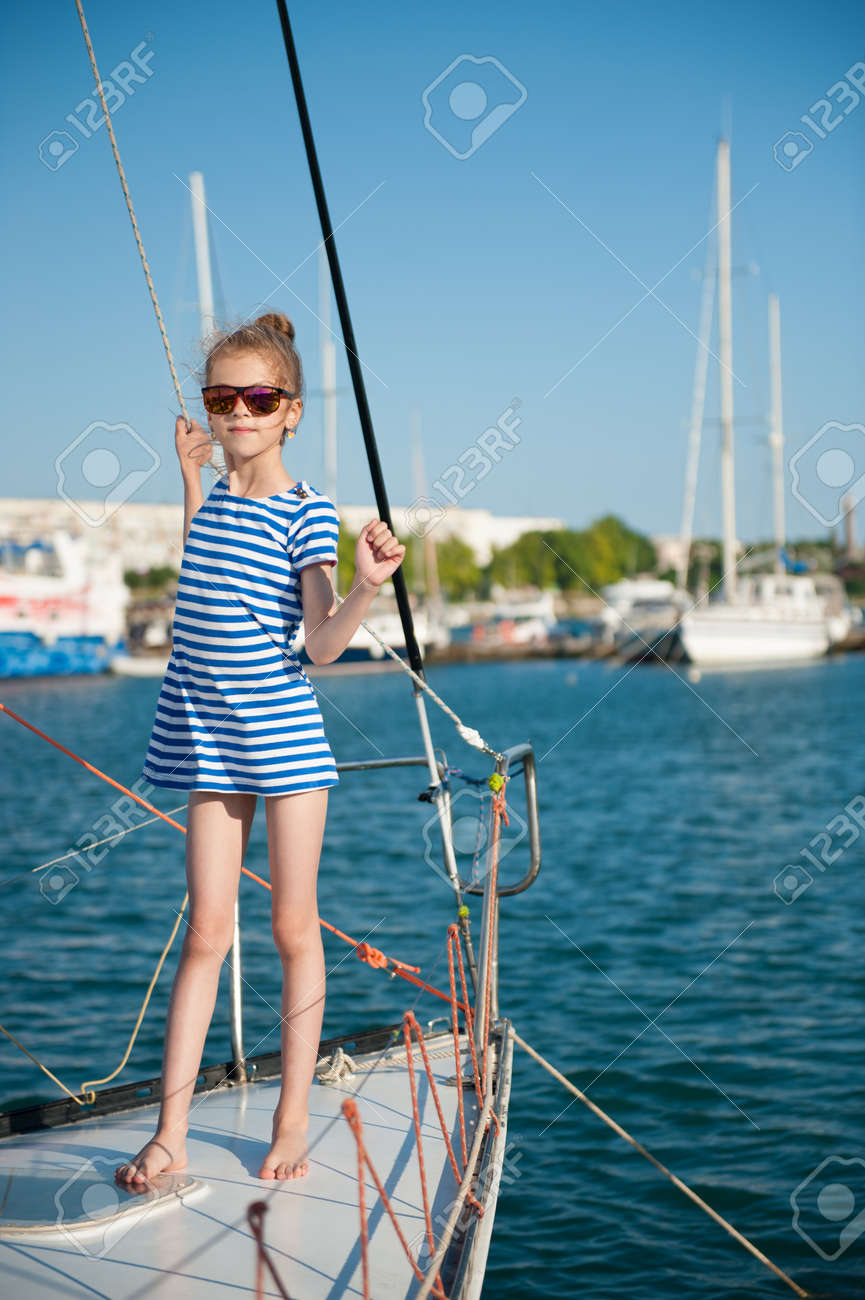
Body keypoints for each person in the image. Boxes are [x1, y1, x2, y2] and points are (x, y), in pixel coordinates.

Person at [115, 311, 404, 1186]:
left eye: (258, 399)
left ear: (291, 412)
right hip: (205, 737)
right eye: (221, 398)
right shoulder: (210, 502)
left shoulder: (305, 512)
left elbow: (320, 645)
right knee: (205, 931)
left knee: (290, 929)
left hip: (281, 742)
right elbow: (202, 574)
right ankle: (171, 1133)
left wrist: (364, 588)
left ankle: (290, 1121)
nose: (238, 412)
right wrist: (187, 475)